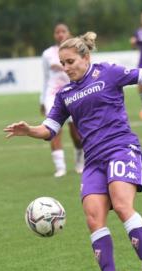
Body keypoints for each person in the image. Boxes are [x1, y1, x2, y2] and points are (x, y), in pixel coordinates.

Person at [5, 32, 142, 271]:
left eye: (70, 62)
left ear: (86, 57)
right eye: (62, 63)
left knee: (122, 204)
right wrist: (29, 130)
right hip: (93, 160)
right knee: (93, 217)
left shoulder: (108, 72)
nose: (65, 68)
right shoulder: (64, 94)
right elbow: (50, 129)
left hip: (121, 148)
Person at [40, 23, 84, 177]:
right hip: (52, 95)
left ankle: (79, 162)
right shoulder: (47, 54)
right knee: (53, 130)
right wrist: (41, 99)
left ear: (68, 33)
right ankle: (60, 168)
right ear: (54, 35)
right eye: (57, 32)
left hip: (73, 94)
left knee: (77, 134)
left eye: (63, 31)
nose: (60, 34)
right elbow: (45, 77)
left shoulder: (76, 51)